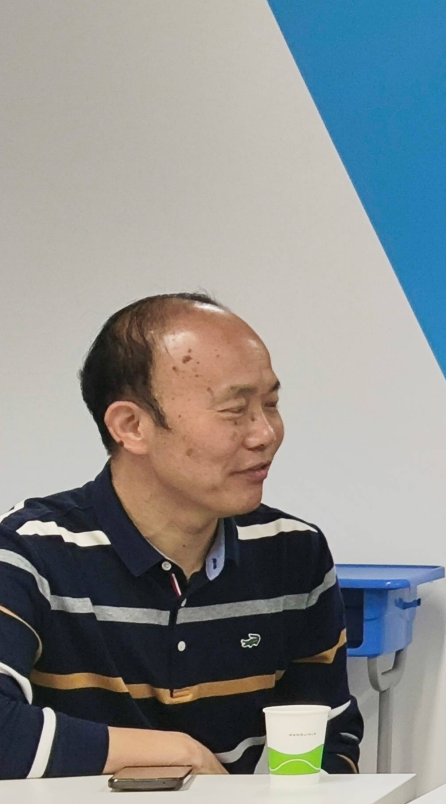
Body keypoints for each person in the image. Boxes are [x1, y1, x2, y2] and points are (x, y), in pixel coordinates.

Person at [0, 293, 361, 780]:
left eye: (271, 404)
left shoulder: (292, 552)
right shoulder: (28, 551)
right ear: (132, 426)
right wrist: (177, 753)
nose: (265, 434)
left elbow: (329, 736)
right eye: (234, 410)